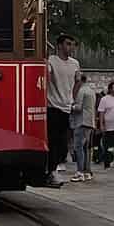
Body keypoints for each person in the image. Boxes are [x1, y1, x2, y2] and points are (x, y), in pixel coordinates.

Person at [46, 33, 80, 186]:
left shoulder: (75, 64)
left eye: (72, 44)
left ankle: (55, 166)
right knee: (54, 140)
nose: (71, 47)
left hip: (66, 107)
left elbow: (78, 80)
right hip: (52, 106)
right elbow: (46, 77)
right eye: (68, 44)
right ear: (59, 45)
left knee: (63, 142)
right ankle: (52, 170)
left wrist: (72, 97)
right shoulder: (52, 61)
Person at [70, 75, 96, 182]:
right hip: (90, 122)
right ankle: (87, 172)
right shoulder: (91, 91)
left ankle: (80, 172)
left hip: (81, 121)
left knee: (79, 147)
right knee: (86, 148)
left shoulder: (81, 91)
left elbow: (79, 107)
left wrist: (70, 107)